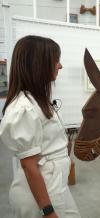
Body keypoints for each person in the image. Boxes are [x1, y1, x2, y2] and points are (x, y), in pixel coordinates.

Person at [0, 35, 81, 218]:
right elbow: (29, 166)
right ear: (39, 64)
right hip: (43, 191)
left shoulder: (38, 101)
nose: (60, 66)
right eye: (56, 60)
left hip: (56, 184)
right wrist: (48, 212)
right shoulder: (24, 108)